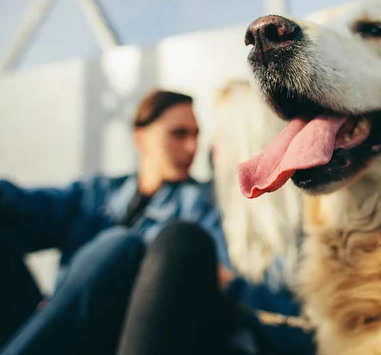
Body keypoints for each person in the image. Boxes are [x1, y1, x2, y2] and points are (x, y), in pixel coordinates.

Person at [0, 89, 237, 354]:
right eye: (179, 133)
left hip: (119, 340)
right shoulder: (97, 193)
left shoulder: (200, 203)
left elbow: (229, 274)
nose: (191, 147)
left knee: (121, 245)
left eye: (196, 135)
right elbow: (33, 208)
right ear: (140, 138)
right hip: (53, 332)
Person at [116, 80, 316, 355]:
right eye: (180, 134)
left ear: (246, 142)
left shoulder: (310, 228)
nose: (203, 150)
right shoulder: (207, 210)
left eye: (217, 138)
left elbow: (314, 332)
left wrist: (230, 286)